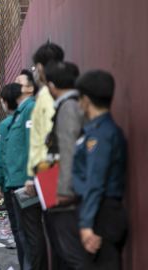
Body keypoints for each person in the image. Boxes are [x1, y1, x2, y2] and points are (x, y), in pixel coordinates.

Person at [73, 70, 127, 270]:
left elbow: (95, 182)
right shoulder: (97, 131)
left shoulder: (100, 135)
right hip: (99, 211)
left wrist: (87, 225)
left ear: (86, 100)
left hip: (102, 216)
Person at [42, 62, 86, 270]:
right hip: (58, 188)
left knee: (69, 254)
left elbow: (68, 149)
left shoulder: (68, 107)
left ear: (51, 86)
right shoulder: (72, 104)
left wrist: (63, 191)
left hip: (64, 196)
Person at [3, 71, 39, 270]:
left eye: (20, 82)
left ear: (30, 87)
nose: (15, 85)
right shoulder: (19, 113)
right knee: (20, 231)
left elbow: (31, 145)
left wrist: (30, 177)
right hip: (15, 181)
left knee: (28, 232)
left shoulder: (30, 109)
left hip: (25, 182)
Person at [0, 83, 25, 269]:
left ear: (4, 102)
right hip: (27, 182)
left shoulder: (5, 125)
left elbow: (1, 155)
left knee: (18, 228)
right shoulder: (26, 120)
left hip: (11, 183)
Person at [26, 43, 64, 179]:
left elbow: (48, 134)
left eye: (35, 67)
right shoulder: (57, 92)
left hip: (45, 170)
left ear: (40, 67)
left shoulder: (47, 95)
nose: (34, 71)